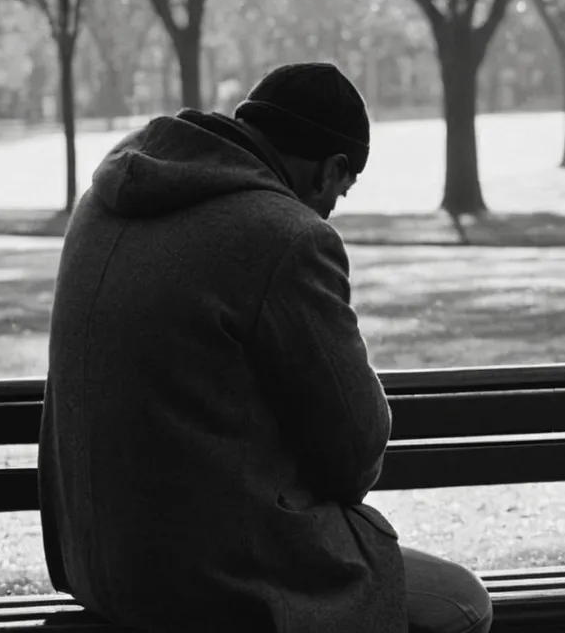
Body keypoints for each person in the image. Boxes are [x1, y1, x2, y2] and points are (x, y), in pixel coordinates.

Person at [38, 63, 492, 633]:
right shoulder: (284, 234)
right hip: (213, 575)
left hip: (97, 561)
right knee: (462, 604)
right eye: (340, 193)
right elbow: (354, 456)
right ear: (331, 170)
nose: (329, 210)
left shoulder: (105, 198)